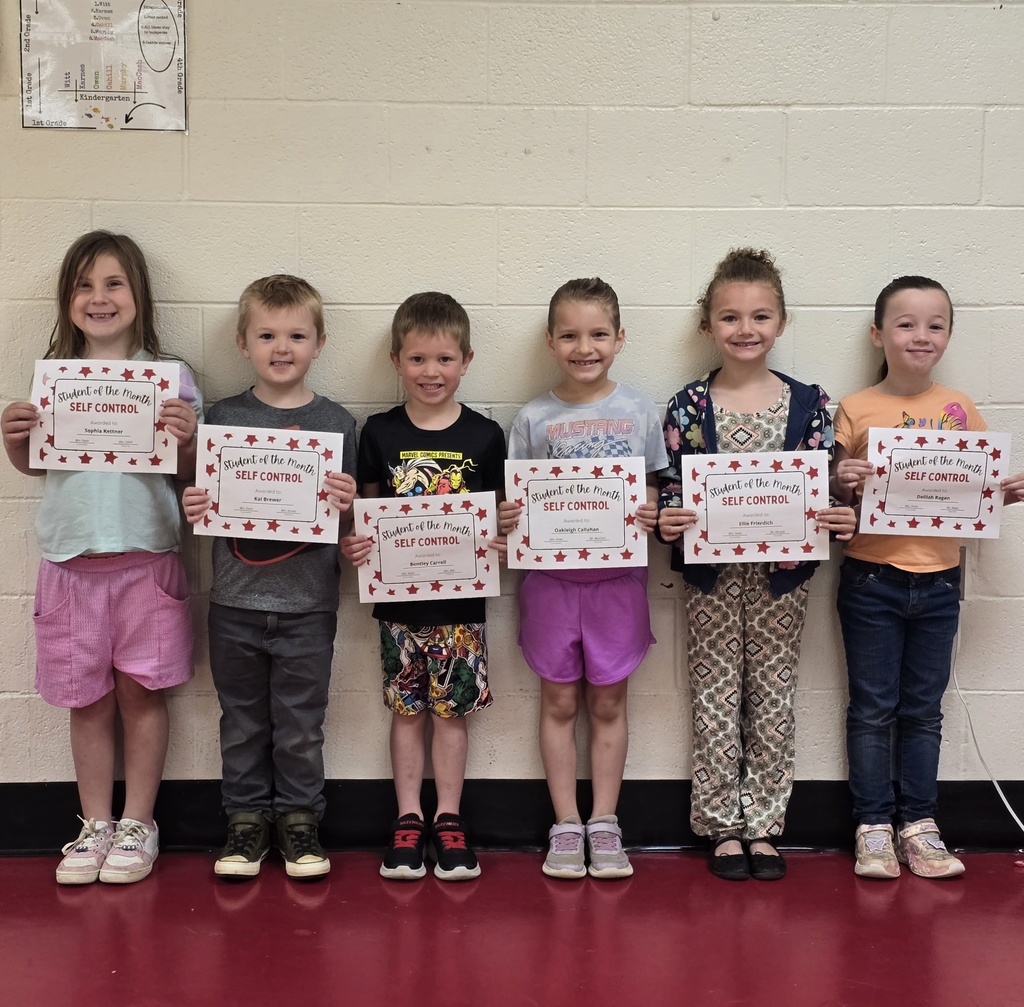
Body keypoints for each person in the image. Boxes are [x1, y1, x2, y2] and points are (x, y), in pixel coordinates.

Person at [1, 230, 202, 884]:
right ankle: (94, 823)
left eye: (114, 283)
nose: (99, 297)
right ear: (66, 301)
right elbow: (36, 466)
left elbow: (193, 475)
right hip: (69, 561)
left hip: (146, 560)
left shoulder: (171, 380)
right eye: (85, 285)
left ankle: (139, 820)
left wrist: (190, 438)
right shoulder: (50, 379)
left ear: (138, 296)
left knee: (141, 694)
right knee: (85, 700)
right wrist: (15, 440)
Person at [657, 248, 855, 881]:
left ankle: (765, 825)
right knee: (715, 694)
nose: (746, 329)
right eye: (730, 317)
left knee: (773, 696)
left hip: (783, 581)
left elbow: (825, 489)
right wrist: (670, 518)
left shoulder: (814, 405)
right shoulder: (688, 407)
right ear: (707, 326)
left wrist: (838, 509)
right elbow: (671, 490)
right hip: (710, 579)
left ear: (782, 322)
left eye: (760, 316)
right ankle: (720, 826)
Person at [830, 275, 1024, 880]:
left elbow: (972, 489)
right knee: (871, 709)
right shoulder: (856, 408)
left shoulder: (960, 408)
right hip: (871, 578)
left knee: (923, 710)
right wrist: (843, 479)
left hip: (941, 581)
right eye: (906, 323)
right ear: (877, 334)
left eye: (934, 325)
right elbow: (832, 486)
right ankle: (872, 826)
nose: (921, 335)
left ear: (948, 335)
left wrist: (1001, 494)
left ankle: (920, 824)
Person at [182, 275, 357, 880]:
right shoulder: (224, 417)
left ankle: (301, 821)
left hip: (310, 604)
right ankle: (246, 821)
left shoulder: (337, 423)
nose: (281, 347)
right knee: (243, 720)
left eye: (296, 336)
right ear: (242, 342)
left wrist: (347, 499)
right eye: (267, 335)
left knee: (302, 724)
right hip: (234, 600)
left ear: (319, 342)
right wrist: (196, 504)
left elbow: (355, 516)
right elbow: (202, 498)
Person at [497, 278, 666, 880]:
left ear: (620, 338)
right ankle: (566, 824)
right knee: (560, 698)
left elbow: (654, 490)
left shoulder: (642, 411)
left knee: (611, 700)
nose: (583, 346)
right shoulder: (533, 418)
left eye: (598, 333)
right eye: (568, 334)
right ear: (549, 341)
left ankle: (606, 822)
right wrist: (508, 517)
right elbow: (512, 502)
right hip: (550, 582)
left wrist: (651, 507)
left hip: (618, 580)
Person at [341, 292, 505, 881]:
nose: (430, 372)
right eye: (417, 359)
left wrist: (504, 538)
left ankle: (450, 819)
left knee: (451, 713)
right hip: (396, 607)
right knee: (406, 711)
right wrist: (354, 544)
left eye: (443, 359)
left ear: (466, 361)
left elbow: (497, 519)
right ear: (395, 360)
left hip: (462, 605)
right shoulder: (378, 433)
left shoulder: (486, 436)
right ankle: (408, 817)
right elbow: (368, 513)